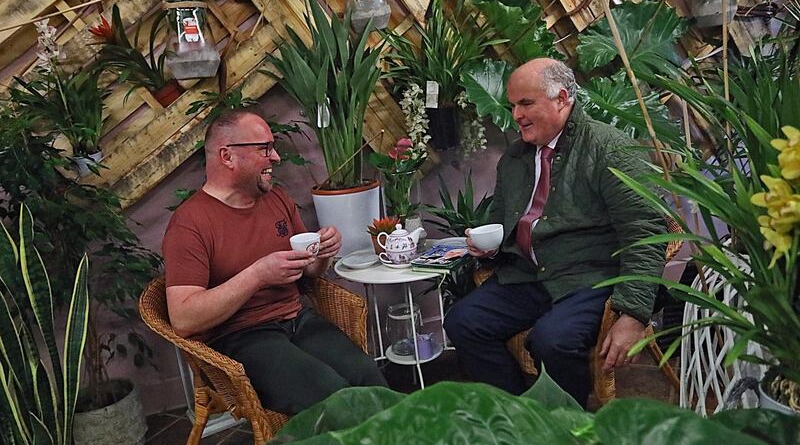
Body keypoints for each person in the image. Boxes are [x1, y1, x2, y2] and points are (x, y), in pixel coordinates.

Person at [443, 58, 667, 407]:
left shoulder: (609, 148)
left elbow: (645, 232)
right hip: (529, 276)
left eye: (525, 103)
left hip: (589, 277)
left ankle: (568, 425)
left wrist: (634, 314)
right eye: (512, 105)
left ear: (562, 98)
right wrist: (490, 247)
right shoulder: (515, 159)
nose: (515, 115)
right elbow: (505, 223)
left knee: (553, 340)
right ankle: (522, 412)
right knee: (463, 322)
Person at [162, 108, 387, 415]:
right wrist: (257, 275)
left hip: (297, 320)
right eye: (264, 148)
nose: (276, 157)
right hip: (241, 338)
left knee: (369, 379)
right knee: (332, 397)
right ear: (227, 156)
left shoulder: (276, 198)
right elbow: (184, 319)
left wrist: (322, 253)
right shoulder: (190, 224)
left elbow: (308, 274)